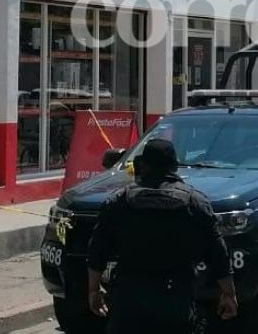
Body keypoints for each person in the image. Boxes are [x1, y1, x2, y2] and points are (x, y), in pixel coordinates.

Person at [86, 139, 238, 333]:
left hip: (129, 299)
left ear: (142, 165)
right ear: (174, 167)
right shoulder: (194, 202)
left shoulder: (119, 201)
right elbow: (218, 253)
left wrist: (93, 289)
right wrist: (228, 293)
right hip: (175, 299)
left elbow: (97, 249)